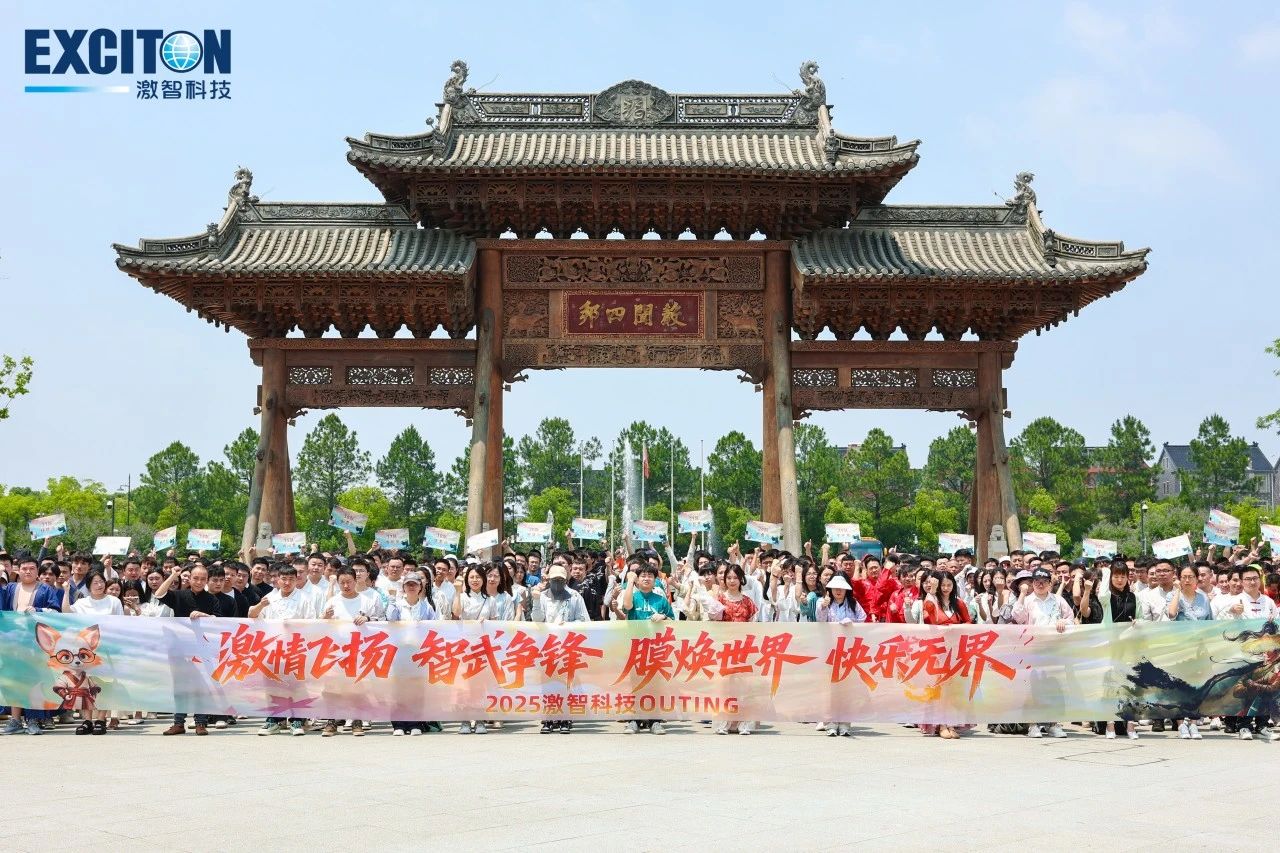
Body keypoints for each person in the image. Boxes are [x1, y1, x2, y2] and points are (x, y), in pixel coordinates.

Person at [0, 552, 64, 735]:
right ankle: (15, 720)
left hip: (36, 644)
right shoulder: (10, 588)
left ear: (37, 571)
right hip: (12, 643)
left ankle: (33, 720)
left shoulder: (46, 589)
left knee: (34, 681)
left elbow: (56, 612)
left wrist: (38, 610)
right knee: (13, 681)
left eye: (31, 568)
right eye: (24, 568)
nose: (27, 571)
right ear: (18, 571)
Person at [250, 565, 315, 736]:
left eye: (291, 579)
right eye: (283, 579)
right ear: (277, 579)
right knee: (273, 685)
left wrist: (295, 626)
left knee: (296, 686)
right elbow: (253, 616)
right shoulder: (269, 598)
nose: (287, 583)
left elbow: (312, 623)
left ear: (296, 580)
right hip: (273, 649)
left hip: (295, 648)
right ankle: (274, 720)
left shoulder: (304, 599)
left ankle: (296, 720)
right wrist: (260, 605)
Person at [1011, 567, 1073, 738]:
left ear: (1050, 583)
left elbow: (1070, 618)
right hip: (1033, 649)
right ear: (1032, 583)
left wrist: (1063, 622)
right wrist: (1022, 594)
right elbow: (1017, 616)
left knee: (1054, 687)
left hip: (1055, 649)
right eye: (1037, 581)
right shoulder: (1028, 600)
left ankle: (1053, 723)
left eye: (1044, 581)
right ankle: (1033, 724)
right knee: (1033, 687)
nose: (1040, 584)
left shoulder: (1058, 600)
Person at [531, 564, 590, 733]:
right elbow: (537, 620)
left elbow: (584, 620)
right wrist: (536, 601)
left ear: (566, 580)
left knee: (567, 683)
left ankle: (565, 717)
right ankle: (549, 717)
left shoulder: (575, 596)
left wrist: (569, 625)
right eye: (554, 579)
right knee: (547, 682)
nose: (557, 582)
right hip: (547, 646)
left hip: (568, 645)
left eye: (560, 580)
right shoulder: (542, 596)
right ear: (548, 579)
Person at [620, 558, 674, 734]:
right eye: (643, 575)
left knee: (655, 684)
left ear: (655, 579)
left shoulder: (661, 600)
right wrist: (630, 581)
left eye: (650, 576)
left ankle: (654, 720)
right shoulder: (633, 596)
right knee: (635, 684)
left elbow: (673, 620)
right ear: (638, 579)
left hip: (656, 648)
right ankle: (634, 720)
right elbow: (626, 605)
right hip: (636, 646)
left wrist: (663, 617)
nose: (646, 578)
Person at [385, 571, 440, 735]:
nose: (411, 587)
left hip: (418, 653)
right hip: (399, 653)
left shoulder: (426, 607)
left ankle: (415, 723)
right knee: (398, 689)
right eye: (408, 584)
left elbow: (433, 628)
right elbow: (390, 618)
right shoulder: (397, 604)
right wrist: (392, 599)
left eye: (414, 584)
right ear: (403, 587)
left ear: (420, 587)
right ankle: (399, 724)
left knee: (416, 689)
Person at [920, 570, 973, 740]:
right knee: (939, 688)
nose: (946, 588)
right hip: (937, 651)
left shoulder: (959, 603)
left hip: (955, 651)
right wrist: (932, 592)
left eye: (949, 585)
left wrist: (957, 628)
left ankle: (951, 723)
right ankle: (941, 724)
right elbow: (929, 618)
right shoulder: (932, 602)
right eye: (943, 585)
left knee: (953, 689)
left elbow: (968, 622)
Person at [1166, 564, 1213, 740]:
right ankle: (1180, 724)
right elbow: (1171, 614)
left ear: (1196, 578)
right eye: (1184, 577)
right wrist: (1177, 591)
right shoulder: (1172, 595)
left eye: (1190, 576)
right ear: (1179, 578)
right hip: (1180, 647)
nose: (1187, 580)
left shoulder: (1203, 598)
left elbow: (1209, 622)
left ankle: (1193, 722)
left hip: (1199, 648)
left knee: (1197, 686)